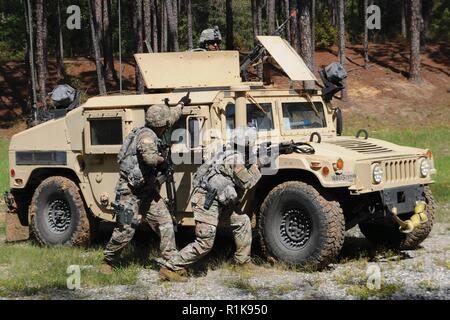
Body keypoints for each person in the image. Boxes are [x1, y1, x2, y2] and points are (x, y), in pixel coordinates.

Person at [101, 93, 191, 274]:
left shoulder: (157, 126)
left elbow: (171, 117)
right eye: (165, 124)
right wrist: (162, 161)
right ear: (160, 125)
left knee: (165, 223)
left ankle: (171, 263)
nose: (168, 125)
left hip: (148, 191)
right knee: (126, 229)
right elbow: (149, 159)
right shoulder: (147, 136)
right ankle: (108, 260)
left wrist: (181, 104)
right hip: (130, 191)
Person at [159, 127, 263, 281]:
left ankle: (242, 262)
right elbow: (247, 182)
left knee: (242, 221)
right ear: (247, 145)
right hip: (207, 201)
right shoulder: (234, 158)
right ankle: (171, 267)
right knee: (205, 243)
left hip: (218, 200)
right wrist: (256, 165)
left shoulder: (227, 151)